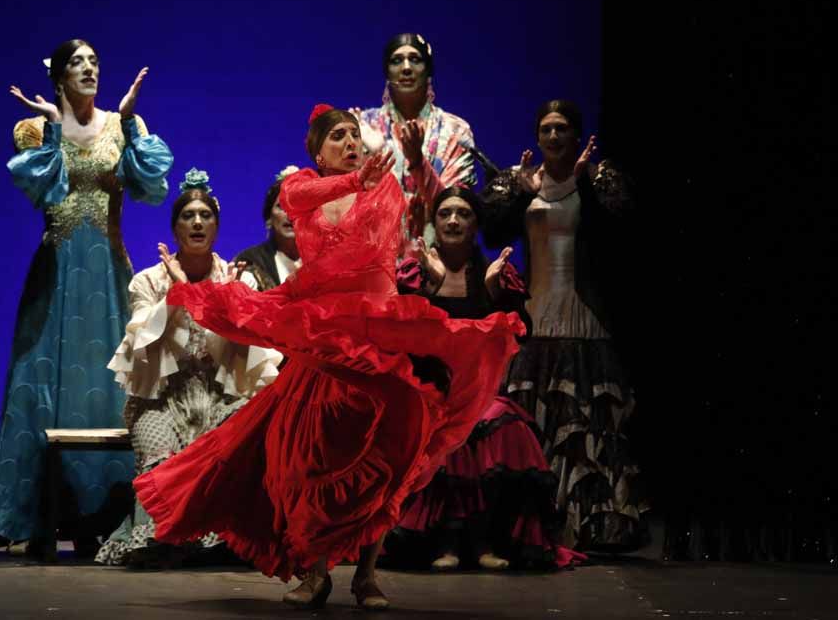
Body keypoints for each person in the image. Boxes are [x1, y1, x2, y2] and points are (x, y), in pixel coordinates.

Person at [133, 104, 525, 610]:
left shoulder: (382, 185)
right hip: (323, 344)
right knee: (307, 458)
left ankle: (367, 575)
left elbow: (407, 222)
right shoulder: (302, 186)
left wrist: (396, 171)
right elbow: (305, 195)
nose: (350, 142)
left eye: (354, 135)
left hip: (377, 341)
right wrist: (354, 178)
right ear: (318, 150)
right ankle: (316, 573)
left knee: (398, 448)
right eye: (337, 136)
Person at [0, 39, 172, 552]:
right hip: (59, 272)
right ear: (58, 76)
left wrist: (127, 123)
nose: (89, 70)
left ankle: (100, 512)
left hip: (107, 271)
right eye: (77, 63)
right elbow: (48, 190)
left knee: (107, 387)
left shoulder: (126, 125)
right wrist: (56, 126)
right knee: (40, 384)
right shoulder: (33, 130)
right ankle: (35, 513)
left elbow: (151, 187)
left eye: (95, 62)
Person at [480, 99, 646, 551]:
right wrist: (519, 190)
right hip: (535, 317)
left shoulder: (595, 177)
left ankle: (586, 528)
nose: (553, 137)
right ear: (537, 136)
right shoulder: (522, 179)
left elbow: (624, 225)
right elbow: (490, 232)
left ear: (576, 136)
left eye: (562, 129)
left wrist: (588, 184)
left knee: (582, 429)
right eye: (546, 129)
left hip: (582, 315)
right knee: (532, 425)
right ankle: (531, 529)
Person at [95, 170, 282, 567]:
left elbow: (247, 354)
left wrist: (227, 301)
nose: (197, 223)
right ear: (175, 227)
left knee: (237, 440)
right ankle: (160, 536)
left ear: (216, 226)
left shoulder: (237, 278)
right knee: (159, 452)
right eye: (187, 216)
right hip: (161, 400)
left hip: (219, 396)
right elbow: (143, 346)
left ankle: (223, 537)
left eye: (205, 216)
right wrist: (179, 294)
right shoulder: (147, 281)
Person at [390, 186, 582, 570]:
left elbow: (521, 332)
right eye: (444, 213)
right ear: (434, 222)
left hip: (479, 391)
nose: (453, 221)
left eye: (463, 213)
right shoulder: (417, 272)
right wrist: (429, 286)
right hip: (430, 390)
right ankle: (445, 543)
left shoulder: (494, 274)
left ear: (476, 223)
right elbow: (399, 333)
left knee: (504, 430)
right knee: (444, 431)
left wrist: (496, 296)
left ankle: (485, 543)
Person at [354, 33, 475, 244]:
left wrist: (418, 163)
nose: (406, 68)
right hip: (374, 258)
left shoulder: (455, 130)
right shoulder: (363, 125)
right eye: (397, 60)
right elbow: (347, 202)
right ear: (386, 72)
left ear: (428, 71)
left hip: (440, 258)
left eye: (415, 59)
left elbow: (457, 207)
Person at [235, 166, 301, 291]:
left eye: (297, 205)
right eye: (281, 206)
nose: (290, 214)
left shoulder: (321, 261)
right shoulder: (250, 261)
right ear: (269, 218)